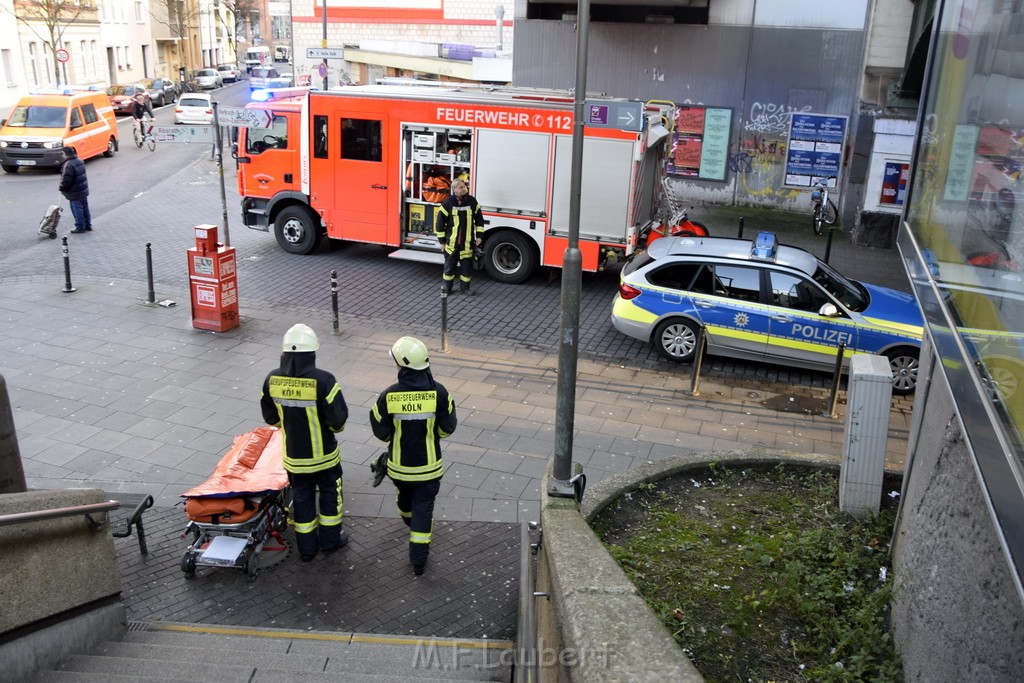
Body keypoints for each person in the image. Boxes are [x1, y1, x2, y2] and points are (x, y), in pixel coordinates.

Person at [260, 323, 350, 562]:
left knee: (301, 499)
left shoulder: (272, 379)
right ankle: (331, 542)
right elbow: (338, 421)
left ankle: (307, 549)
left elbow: (271, 418)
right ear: (312, 353)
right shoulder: (324, 380)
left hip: (294, 459)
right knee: (330, 495)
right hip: (325, 457)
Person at [369, 336, 457, 575]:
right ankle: (418, 562)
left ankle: (410, 519)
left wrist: (397, 437)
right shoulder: (440, 393)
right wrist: (431, 435)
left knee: (406, 502)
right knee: (424, 509)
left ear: (402, 365)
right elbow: (447, 428)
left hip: (399, 470)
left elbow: (382, 432)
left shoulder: (388, 396)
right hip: (429, 470)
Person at [434, 178, 484, 295]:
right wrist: (442, 242)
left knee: (466, 268)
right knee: (449, 269)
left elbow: (479, 220)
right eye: (461, 187)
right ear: (454, 189)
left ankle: (465, 289)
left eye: (464, 186)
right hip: (451, 244)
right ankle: (447, 288)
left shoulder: (472, 201)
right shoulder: (447, 203)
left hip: (467, 244)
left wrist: (479, 236)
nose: (464, 189)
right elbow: (440, 224)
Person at [58, 146, 91, 233]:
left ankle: (80, 227)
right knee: (85, 208)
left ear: (65, 154)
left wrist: (61, 188)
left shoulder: (68, 164)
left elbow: (66, 180)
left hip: (74, 192)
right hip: (83, 190)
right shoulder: (79, 161)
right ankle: (88, 225)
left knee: (76, 209)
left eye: (62, 154)